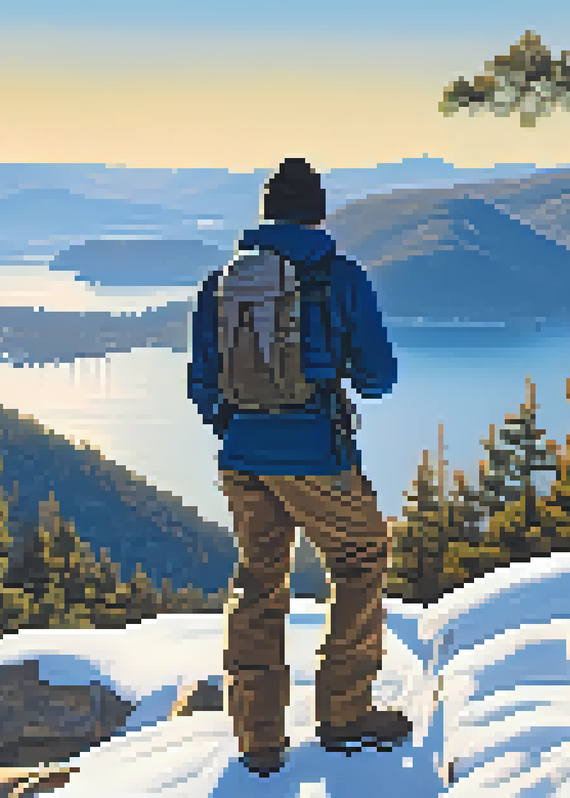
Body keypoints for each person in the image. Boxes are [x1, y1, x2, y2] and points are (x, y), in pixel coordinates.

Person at [188, 157, 409, 777]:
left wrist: (239, 427)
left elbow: (201, 382)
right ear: (316, 212)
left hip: (242, 459)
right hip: (315, 455)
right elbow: (379, 378)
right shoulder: (337, 277)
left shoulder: (223, 282)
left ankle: (257, 736)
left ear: (265, 213)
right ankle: (345, 714)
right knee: (361, 559)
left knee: (259, 582)